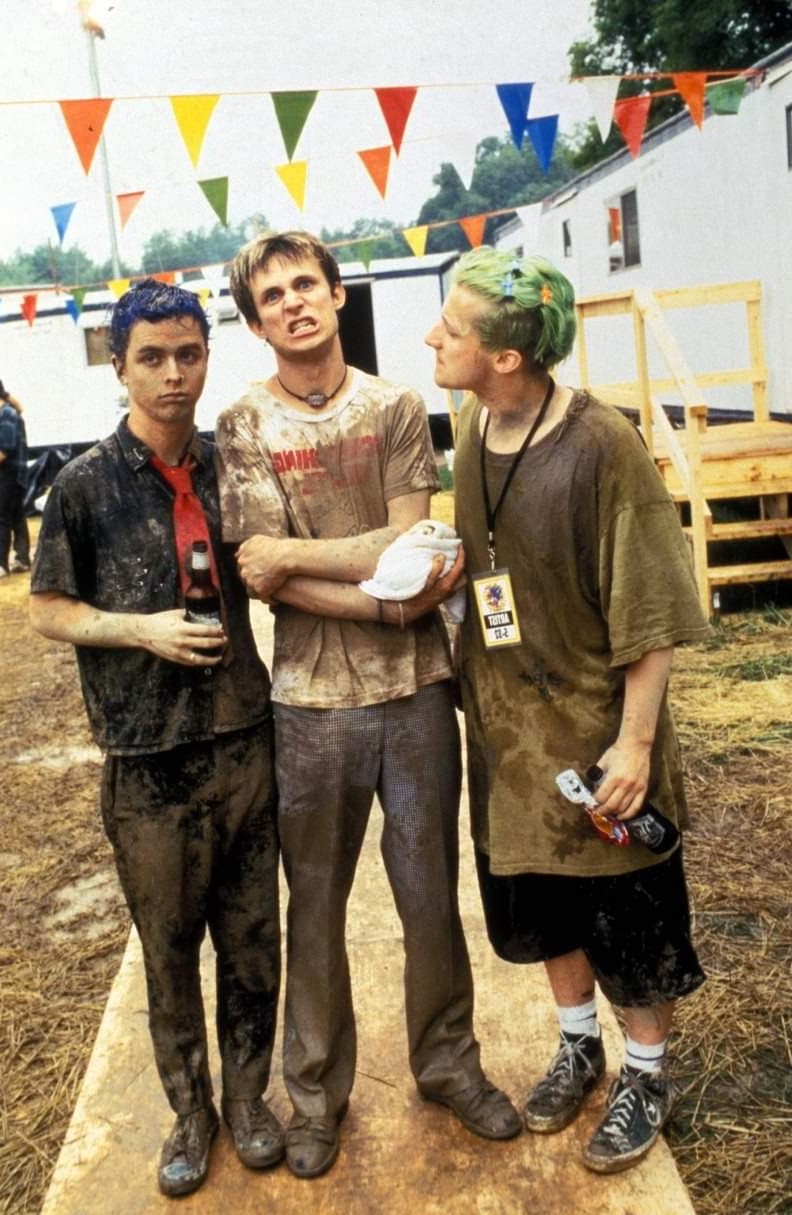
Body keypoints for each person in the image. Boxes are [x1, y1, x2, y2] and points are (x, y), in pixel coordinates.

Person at [216, 230, 520, 1181]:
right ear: (257, 319)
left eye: (307, 283)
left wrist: (314, 557)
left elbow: (421, 548)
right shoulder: (243, 426)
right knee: (316, 908)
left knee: (432, 898)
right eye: (273, 296)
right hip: (308, 704)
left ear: (339, 293)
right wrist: (385, 583)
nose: (294, 303)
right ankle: (315, 1095)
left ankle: (446, 1064)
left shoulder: (395, 405)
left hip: (417, 695)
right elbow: (265, 581)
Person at [425, 247, 709, 1175]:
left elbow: (655, 605)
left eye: (452, 329)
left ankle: (647, 1072)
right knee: (546, 907)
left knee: (630, 918)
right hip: (512, 742)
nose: (434, 336)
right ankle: (580, 1044)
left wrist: (633, 744)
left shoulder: (601, 444)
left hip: (598, 735)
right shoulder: (472, 426)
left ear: (507, 356)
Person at [29, 280, 282, 1199]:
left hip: (246, 740)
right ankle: (192, 1112)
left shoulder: (236, 465)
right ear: (119, 363)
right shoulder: (83, 485)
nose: (175, 375)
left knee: (254, 941)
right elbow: (48, 610)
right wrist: (142, 629)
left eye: (190, 354)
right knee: (170, 948)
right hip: (145, 759)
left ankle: (251, 1101)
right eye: (153, 358)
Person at [0, 377, 31, 578]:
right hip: (16, 474)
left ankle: (0, 564)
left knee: (2, 518)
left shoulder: (6, 414)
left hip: (8, 473)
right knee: (16, 517)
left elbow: (5, 447)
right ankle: (22, 559)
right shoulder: (9, 412)